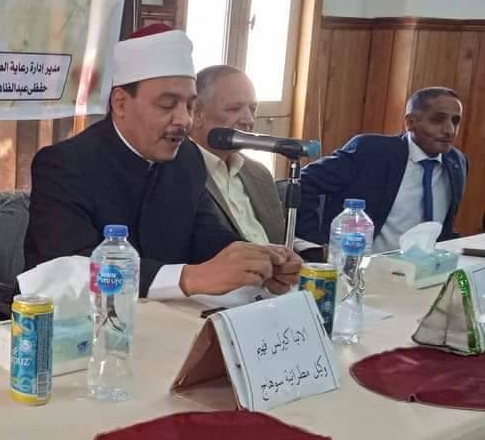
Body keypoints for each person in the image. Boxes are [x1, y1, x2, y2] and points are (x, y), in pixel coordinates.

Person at [23, 24, 301, 298]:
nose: (183, 120)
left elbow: (206, 235)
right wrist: (187, 278)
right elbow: (68, 270)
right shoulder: (64, 166)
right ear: (120, 103)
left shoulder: (187, 158)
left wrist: (256, 260)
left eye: (190, 106)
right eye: (167, 105)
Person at [296, 87, 469, 250]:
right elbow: (302, 183)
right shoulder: (371, 152)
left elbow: (445, 226)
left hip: (427, 265)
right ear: (410, 123)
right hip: (363, 263)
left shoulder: (457, 162)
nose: (450, 130)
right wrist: (315, 243)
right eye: (437, 120)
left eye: (455, 121)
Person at [189, 65, 285, 244]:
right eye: (234, 109)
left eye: (253, 109)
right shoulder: (176, 173)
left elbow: (281, 240)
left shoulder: (259, 173)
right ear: (196, 113)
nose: (248, 120)